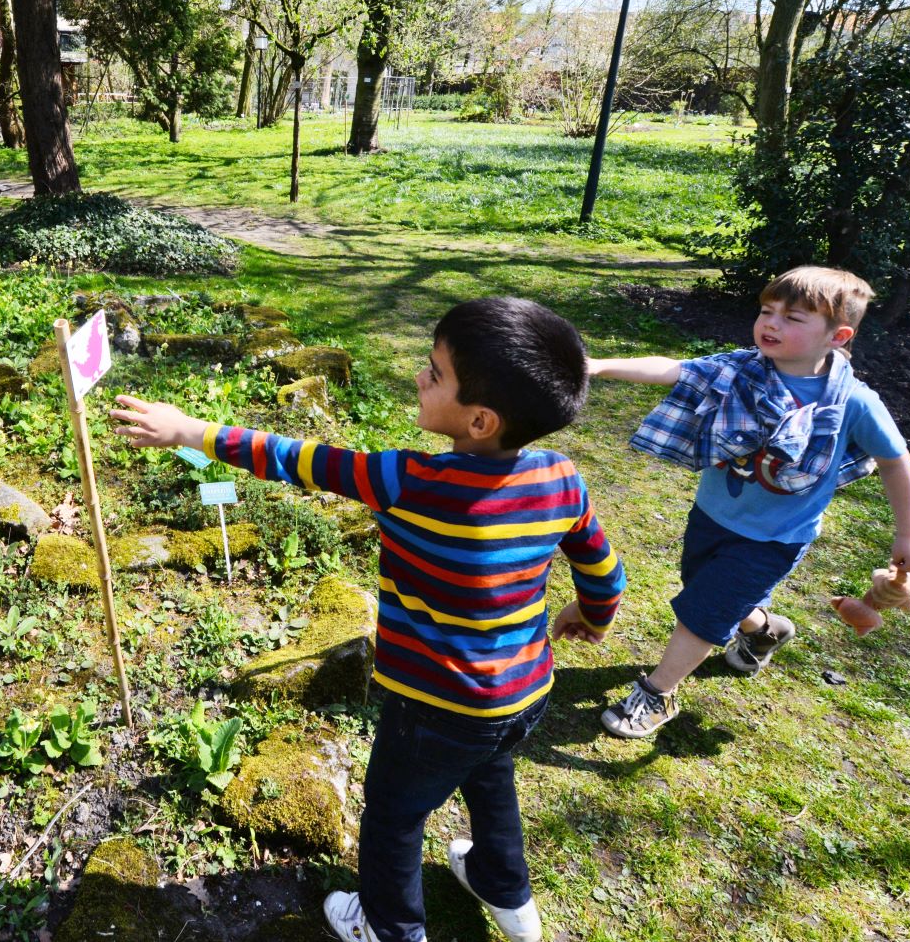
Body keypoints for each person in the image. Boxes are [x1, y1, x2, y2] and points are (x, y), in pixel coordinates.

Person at [110, 297, 624, 942]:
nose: (419, 378)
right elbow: (604, 566)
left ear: (481, 420)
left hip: (436, 706)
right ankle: (507, 895)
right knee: (491, 779)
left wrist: (189, 431)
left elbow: (294, 457)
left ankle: (388, 926)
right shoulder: (561, 477)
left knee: (392, 817)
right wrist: (593, 616)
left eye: (434, 374)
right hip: (524, 693)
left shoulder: (407, 481)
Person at [588, 266, 910, 741]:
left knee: (703, 612)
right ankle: (764, 629)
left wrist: (908, 532)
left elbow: (895, 462)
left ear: (838, 336)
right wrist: (601, 366)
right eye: (767, 311)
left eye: (793, 317)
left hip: (774, 538)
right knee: (706, 591)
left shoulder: (854, 402)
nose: (771, 323)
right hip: (712, 517)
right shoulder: (740, 370)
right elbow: (674, 369)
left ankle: (658, 692)